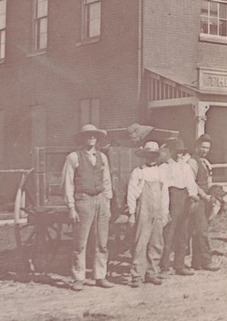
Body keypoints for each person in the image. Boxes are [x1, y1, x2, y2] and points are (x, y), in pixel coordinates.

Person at [62, 124, 114, 292]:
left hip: (101, 200)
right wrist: (71, 207)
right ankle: (79, 278)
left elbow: (107, 181)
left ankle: (100, 276)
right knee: (80, 243)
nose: (91, 138)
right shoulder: (73, 157)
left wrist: (108, 201)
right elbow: (68, 183)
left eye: (94, 135)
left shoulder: (102, 157)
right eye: (88, 135)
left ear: (97, 138)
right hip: (83, 201)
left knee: (102, 242)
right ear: (82, 138)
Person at [126, 140, 169, 287]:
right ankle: (137, 275)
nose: (151, 158)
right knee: (141, 242)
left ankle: (152, 273)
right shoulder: (138, 172)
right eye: (149, 155)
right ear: (144, 156)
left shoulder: (160, 172)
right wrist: (131, 213)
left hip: (158, 210)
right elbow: (131, 194)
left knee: (157, 243)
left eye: (154, 155)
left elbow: (165, 194)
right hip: (143, 210)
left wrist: (165, 212)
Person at [159, 137, 199, 276]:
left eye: (181, 152)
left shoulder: (186, 166)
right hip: (171, 197)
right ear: (170, 151)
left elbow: (191, 184)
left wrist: (193, 198)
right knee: (169, 233)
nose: (178, 155)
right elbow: (163, 186)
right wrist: (166, 207)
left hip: (185, 199)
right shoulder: (165, 167)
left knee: (183, 232)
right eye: (176, 151)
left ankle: (179, 265)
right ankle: (164, 266)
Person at [187, 134, 221, 271]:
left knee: (199, 231)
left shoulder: (206, 163)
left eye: (207, 148)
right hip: (197, 200)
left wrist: (214, 195)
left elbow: (208, 181)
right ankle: (207, 261)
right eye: (203, 147)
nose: (205, 150)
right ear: (196, 147)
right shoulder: (192, 162)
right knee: (202, 231)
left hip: (206, 199)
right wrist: (204, 195)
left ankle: (197, 262)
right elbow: (192, 183)